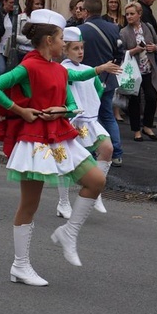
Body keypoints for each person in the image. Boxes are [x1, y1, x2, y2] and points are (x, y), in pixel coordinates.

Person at [0, 9, 106, 286]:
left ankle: (70, 231)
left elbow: (72, 105)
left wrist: (62, 109)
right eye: (62, 38)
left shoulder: (60, 70)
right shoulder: (28, 66)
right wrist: (22, 111)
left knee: (96, 179)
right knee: (30, 203)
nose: (65, 43)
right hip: (33, 139)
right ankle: (20, 265)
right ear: (49, 40)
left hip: (61, 134)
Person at [58, 27, 121, 218]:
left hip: (89, 121)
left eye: (81, 48)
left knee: (107, 149)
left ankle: (95, 192)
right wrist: (100, 69)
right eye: (75, 48)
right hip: (71, 121)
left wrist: (92, 102)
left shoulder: (87, 68)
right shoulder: (62, 69)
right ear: (66, 50)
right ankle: (63, 203)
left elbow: (97, 90)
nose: (80, 52)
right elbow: (77, 77)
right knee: (66, 162)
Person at [78, 0, 124, 167]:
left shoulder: (79, 30)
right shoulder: (114, 28)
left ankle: (89, 152)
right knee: (108, 116)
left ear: (86, 11)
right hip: (107, 79)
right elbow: (120, 53)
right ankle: (116, 153)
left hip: (87, 80)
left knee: (88, 117)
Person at [120, 2, 157, 142]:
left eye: (132, 14)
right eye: (127, 14)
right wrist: (134, 50)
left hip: (148, 69)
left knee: (152, 97)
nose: (129, 17)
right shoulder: (124, 32)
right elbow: (121, 52)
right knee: (135, 101)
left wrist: (155, 48)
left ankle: (147, 126)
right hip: (134, 71)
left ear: (139, 14)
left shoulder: (148, 27)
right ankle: (136, 130)